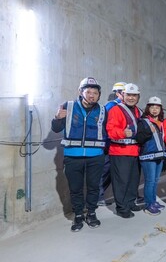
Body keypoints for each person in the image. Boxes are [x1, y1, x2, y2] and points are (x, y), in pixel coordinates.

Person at [51, 77, 107, 232]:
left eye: (95, 92)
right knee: (75, 188)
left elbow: (106, 132)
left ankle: (91, 213)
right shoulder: (67, 106)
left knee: (93, 187)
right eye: (88, 91)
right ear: (80, 92)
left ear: (99, 95)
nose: (91, 95)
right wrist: (57, 118)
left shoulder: (103, 110)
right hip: (72, 156)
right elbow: (56, 129)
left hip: (96, 156)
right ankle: (78, 215)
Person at [106, 83, 143, 218]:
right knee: (121, 181)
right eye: (128, 95)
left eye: (134, 95)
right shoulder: (115, 110)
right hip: (120, 151)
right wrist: (122, 133)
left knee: (133, 180)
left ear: (138, 97)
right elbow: (110, 130)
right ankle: (121, 207)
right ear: (123, 95)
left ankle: (130, 202)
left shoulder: (138, 110)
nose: (131, 98)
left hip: (134, 151)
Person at [135, 96, 165, 216]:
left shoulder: (162, 122)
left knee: (155, 181)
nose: (154, 109)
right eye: (152, 107)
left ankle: (153, 201)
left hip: (159, 155)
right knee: (150, 181)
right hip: (148, 156)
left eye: (157, 107)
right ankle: (148, 205)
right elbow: (139, 138)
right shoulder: (143, 121)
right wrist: (149, 131)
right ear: (148, 108)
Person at [98, 81, 126, 206]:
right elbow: (105, 125)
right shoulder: (111, 106)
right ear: (119, 93)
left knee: (114, 172)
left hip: (120, 145)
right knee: (105, 171)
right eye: (125, 93)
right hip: (109, 144)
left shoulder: (126, 106)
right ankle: (98, 197)